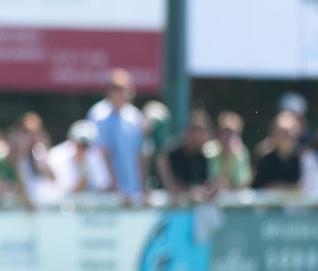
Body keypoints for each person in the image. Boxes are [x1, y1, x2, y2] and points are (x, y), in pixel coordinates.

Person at [87, 69, 146, 204]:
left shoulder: (135, 116)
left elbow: (140, 155)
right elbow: (100, 153)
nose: (119, 92)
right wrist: (114, 187)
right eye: (115, 88)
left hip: (132, 193)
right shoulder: (97, 115)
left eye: (123, 88)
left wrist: (142, 187)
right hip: (105, 193)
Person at [157, 110, 214, 205]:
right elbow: (170, 184)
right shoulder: (171, 153)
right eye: (194, 130)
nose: (196, 135)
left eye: (201, 131)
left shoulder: (202, 158)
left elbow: (204, 183)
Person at [45, 120, 112, 200]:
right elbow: (67, 195)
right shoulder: (56, 157)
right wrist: (84, 177)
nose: (81, 150)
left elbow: (103, 187)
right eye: (78, 144)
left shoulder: (94, 157)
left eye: (85, 146)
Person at [252, 111, 302, 191]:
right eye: (282, 132)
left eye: (289, 133)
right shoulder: (265, 160)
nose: (286, 136)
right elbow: (260, 187)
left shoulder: (298, 160)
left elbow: (301, 187)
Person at [204, 111, 252, 192]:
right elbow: (210, 180)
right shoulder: (209, 151)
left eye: (231, 133)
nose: (227, 136)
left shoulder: (242, 153)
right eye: (224, 132)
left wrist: (231, 157)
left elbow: (242, 183)